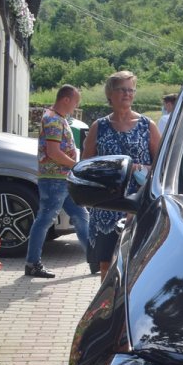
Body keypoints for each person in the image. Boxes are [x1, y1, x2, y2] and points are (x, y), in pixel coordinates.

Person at [82, 70, 161, 280]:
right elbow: (85, 165)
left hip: (137, 204)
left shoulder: (147, 126)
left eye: (131, 90)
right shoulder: (98, 127)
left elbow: (162, 165)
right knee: (106, 264)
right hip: (106, 206)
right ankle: (107, 300)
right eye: (122, 89)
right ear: (110, 94)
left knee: (137, 263)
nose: (127, 94)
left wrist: (138, 168)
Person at [24, 85, 91, 279]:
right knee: (45, 219)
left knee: (81, 216)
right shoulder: (53, 119)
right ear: (66, 100)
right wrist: (76, 165)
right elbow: (53, 152)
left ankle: (94, 259)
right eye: (76, 102)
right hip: (55, 180)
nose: (76, 107)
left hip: (61, 179)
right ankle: (32, 264)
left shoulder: (56, 117)